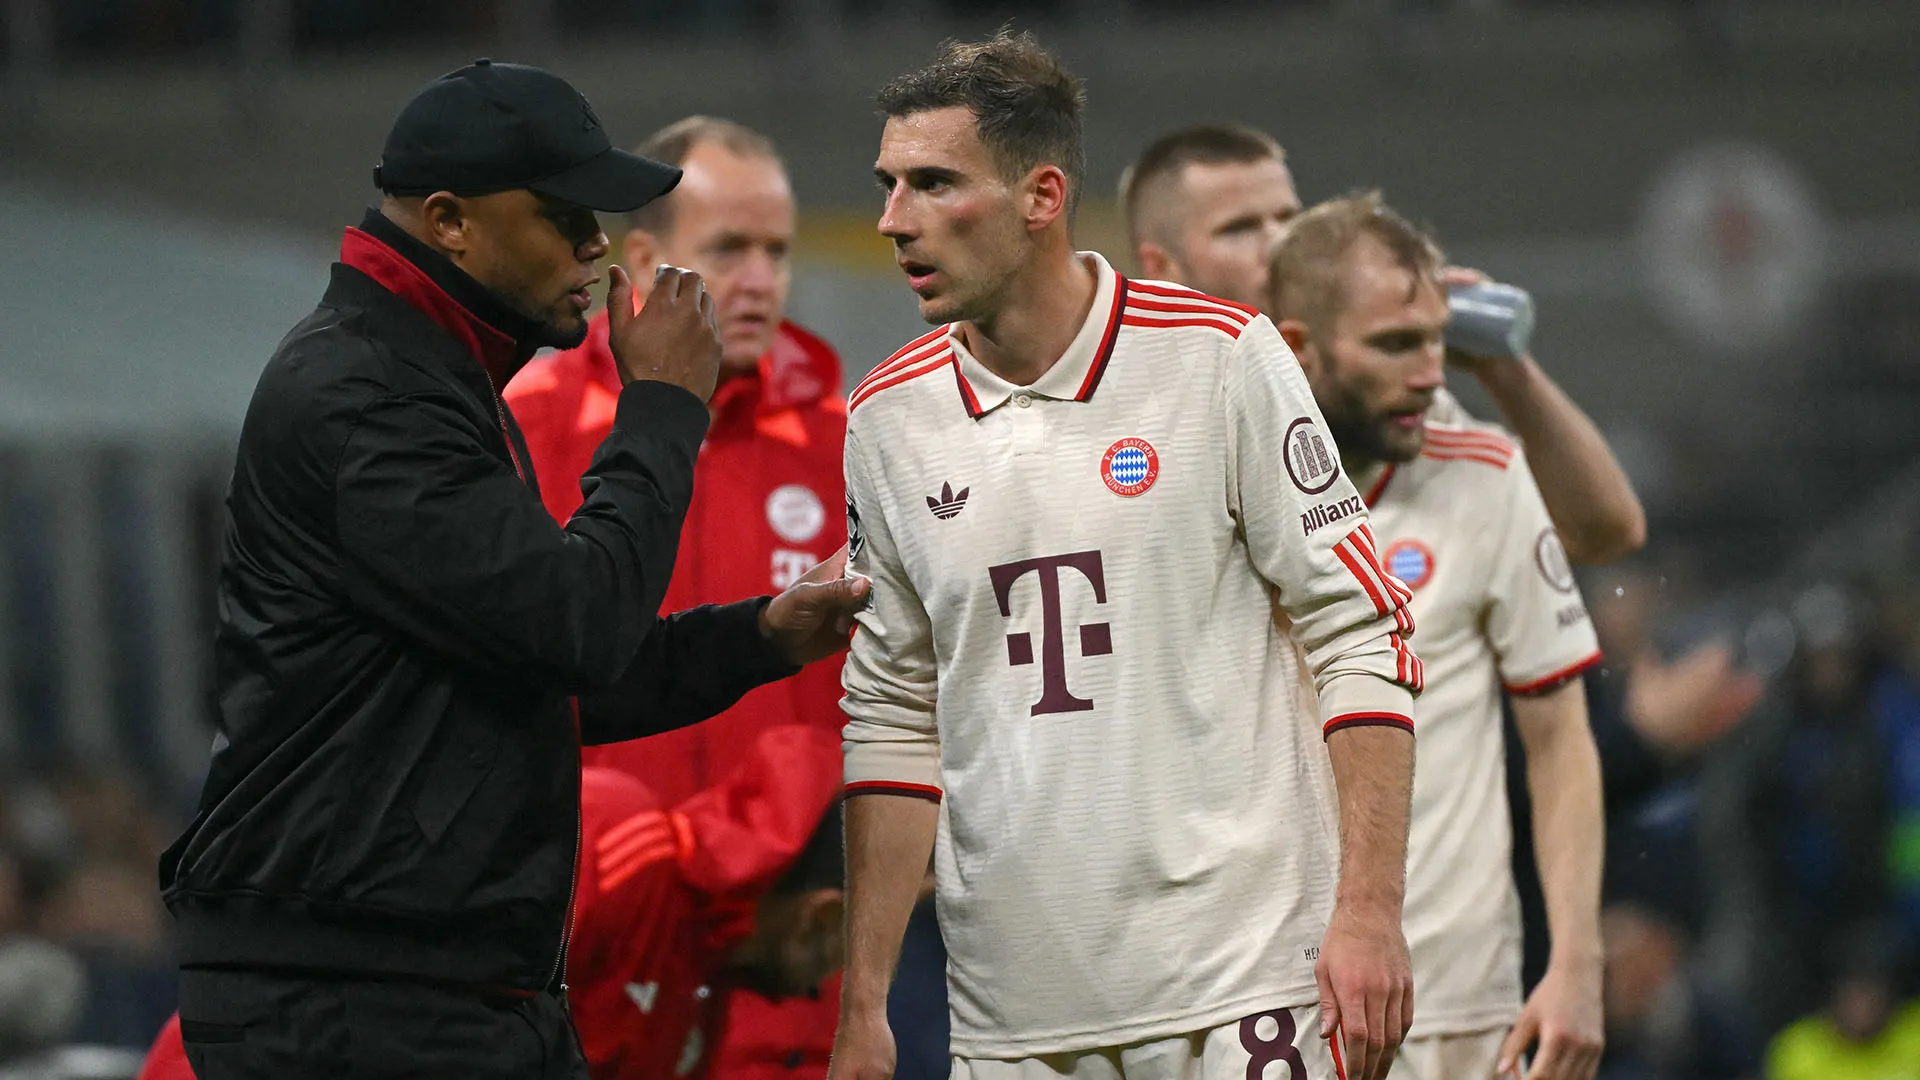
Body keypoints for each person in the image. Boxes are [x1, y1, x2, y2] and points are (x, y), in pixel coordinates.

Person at [156, 60, 866, 1080]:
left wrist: (758, 636)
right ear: (450, 220)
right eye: (562, 216)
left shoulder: (433, 379)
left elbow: (540, 670)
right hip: (356, 995)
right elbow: (576, 631)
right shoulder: (370, 394)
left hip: (436, 980)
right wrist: (663, 408)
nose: (592, 244)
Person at [830, 32, 1421, 1080]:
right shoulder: (886, 418)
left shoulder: (1218, 357)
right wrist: (864, 1006)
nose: (894, 218)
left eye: (933, 183)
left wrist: (1369, 914)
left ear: (1042, 197)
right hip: (1013, 1020)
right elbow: (890, 712)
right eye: (889, 185)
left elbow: (1361, 632)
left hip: (1245, 990)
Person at [506, 115, 849, 1080]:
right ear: (646, 262)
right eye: (729, 249)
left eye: (778, 251)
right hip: (588, 967)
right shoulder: (520, 433)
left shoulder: (856, 444)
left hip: (781, 980)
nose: (760, 280)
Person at [1267, 193, 1607, 1080]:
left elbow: (1560, 739)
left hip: (1457, 1001)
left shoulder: (1486, 475)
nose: (1428, 373)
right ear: (1299, 346)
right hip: (1271, 1002)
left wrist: (1578, 964)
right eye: (1394, 344)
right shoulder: (1223, 488)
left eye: (1435, 340)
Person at [139, 727, 849, 1080]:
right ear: (821, 913)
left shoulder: (696, 996)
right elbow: (409, 1012)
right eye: (858, 939)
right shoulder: (617, 846)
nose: (831, 981)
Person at [1117, 124, 1645, 567]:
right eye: (1240, 228)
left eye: (1287, 216)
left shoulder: (1371, 384)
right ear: (1162, 269)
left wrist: (1506, 369)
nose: (1277, 243)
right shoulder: (1134, 429)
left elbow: (1603, 533)